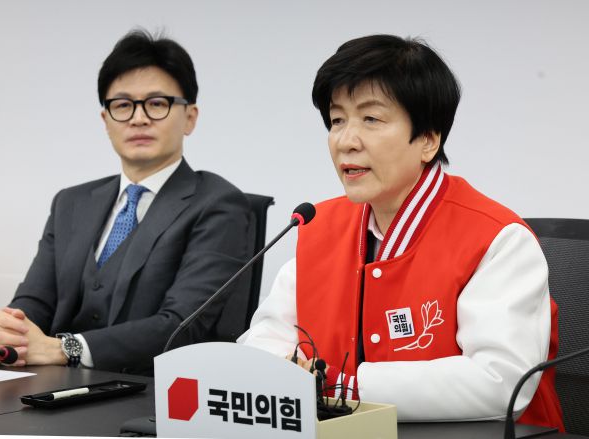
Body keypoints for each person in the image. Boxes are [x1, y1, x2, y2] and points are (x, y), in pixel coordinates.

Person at [239, 34, 563, 429]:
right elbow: (265, 340)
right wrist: (285, 376)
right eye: (337, 120)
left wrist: (342, 385)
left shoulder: (498, 239)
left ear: (428, 139)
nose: (346, 141)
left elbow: (499, 382)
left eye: (371, 119)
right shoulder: (317, 225)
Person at [0, 30, 252, 375]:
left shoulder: (219, 205)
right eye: (122, 105)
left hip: (150, 392)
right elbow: (35, 301)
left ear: (190, 117)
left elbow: (181, 326)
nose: (138, 118)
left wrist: (65, 349)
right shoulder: (70, 203)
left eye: (157, 103)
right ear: (106, 121)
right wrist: (9, 331)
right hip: (52, 387)